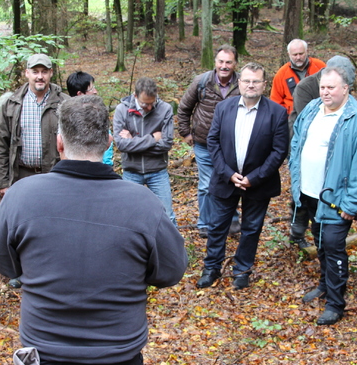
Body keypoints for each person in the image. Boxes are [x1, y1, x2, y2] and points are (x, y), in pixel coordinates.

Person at [0, 95, 187, 365]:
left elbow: (5, 263)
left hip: (47, 364)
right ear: (109, 143)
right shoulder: (143, 204)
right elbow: (170, 270)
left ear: (59, 142)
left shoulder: (21, 195)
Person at [289, 65, 357, 325]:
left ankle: (336, 304)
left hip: (336, 199)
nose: (325, 93)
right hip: (310, 193)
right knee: (319, 242)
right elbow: (297, 141)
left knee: (333, 246)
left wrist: (352, 203)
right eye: (322, 87)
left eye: (331, 88)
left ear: (345, 89)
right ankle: (324, 284)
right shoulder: (312, 108)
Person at [196, 63, 289, 290]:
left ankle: (242, 270)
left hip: (258, 183)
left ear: (264, 85)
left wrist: (254, 177)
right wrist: (228, 174)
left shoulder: (276, 113)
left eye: (256, 81)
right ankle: (212, 268)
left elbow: (279, 151)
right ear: (239, 83)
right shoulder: (223, 108)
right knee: (217, 226)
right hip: (225, 179)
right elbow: (213, 142)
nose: (251, 85)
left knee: (251, 228)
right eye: (247, 80)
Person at [287, 55, 356, 254]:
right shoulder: (306, 87)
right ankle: (297, 233)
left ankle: (322, 231)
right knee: (301, 195)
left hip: (329, 148)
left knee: (323, 191)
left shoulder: (341, 87)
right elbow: (306, 117)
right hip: (302, 143)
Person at [177, 45, 241, 237]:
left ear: (235, 64)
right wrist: (186, 133)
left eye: (228, 62)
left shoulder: (242, 84)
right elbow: (184, 108)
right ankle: (205, 223)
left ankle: (232, 221)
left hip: (230, 146)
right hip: (204, 143)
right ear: (215, 62)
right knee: (206, 184)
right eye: (221, 61)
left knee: (230, 181)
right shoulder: (202, 81)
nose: (224, 66)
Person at [0, 53, 68, 199]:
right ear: (27, 73)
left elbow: (74, 144)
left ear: (51, 73)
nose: (40, 76)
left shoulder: (65, 103)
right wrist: (1, 182)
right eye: (35, 72)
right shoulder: (12, 104)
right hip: (21, 176)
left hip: (55, 176)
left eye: (44, 72)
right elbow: (1, 144)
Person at [113, 77, 177, 225]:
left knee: (167, 215)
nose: (149, 107)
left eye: (151, 103)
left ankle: (171, 247)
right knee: (128, 215)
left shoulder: (165, 109)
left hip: (158, 171)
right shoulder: (122, 110)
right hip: (131, 172)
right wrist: (152, 138)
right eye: (144, 104)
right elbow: (122, 145)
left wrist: (133, 143)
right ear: (135, 96)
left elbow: (166, 143)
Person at [65, 71, 113, 166]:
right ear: (80, 94)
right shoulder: (66, 119)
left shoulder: (99, 113)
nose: (95, 91)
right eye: (91, 89)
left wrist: (106, 167)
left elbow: (107, 142)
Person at [270, 39, 325, 119]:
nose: (298, 57)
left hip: (319, 113)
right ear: (288, 54)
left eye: (301, 54)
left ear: (307, 51)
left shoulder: (319, 66)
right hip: (293, 118)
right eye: (295, 55)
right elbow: (275, 102)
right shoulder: (281, 74)